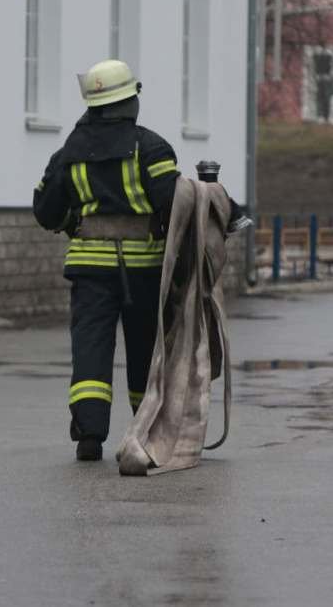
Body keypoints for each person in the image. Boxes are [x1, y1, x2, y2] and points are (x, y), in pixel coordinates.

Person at [32, 59, 246, 461]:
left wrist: (76, 223)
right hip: (144, 271)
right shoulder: (150, 146)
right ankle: (144, 429)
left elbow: (45, 210)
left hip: (90, 270)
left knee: (91, 349)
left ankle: (89, 436)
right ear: (129, 100)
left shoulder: (68, 153)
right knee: (147, 352)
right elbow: (174, 199)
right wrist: (225, 210)